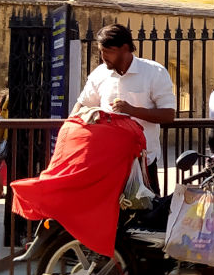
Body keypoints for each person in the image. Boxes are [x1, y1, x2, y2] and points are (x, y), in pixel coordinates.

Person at [72, 23, 176, 195]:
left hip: (143, 162)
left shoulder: (154, 72)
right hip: (107, 160)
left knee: (147, 214)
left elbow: (168, 114)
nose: (103, 56)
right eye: (101, 51)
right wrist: (71, 126)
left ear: (125, 48)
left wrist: (132, 110)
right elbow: (83, 104)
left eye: (108, 51)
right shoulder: (100, 74)